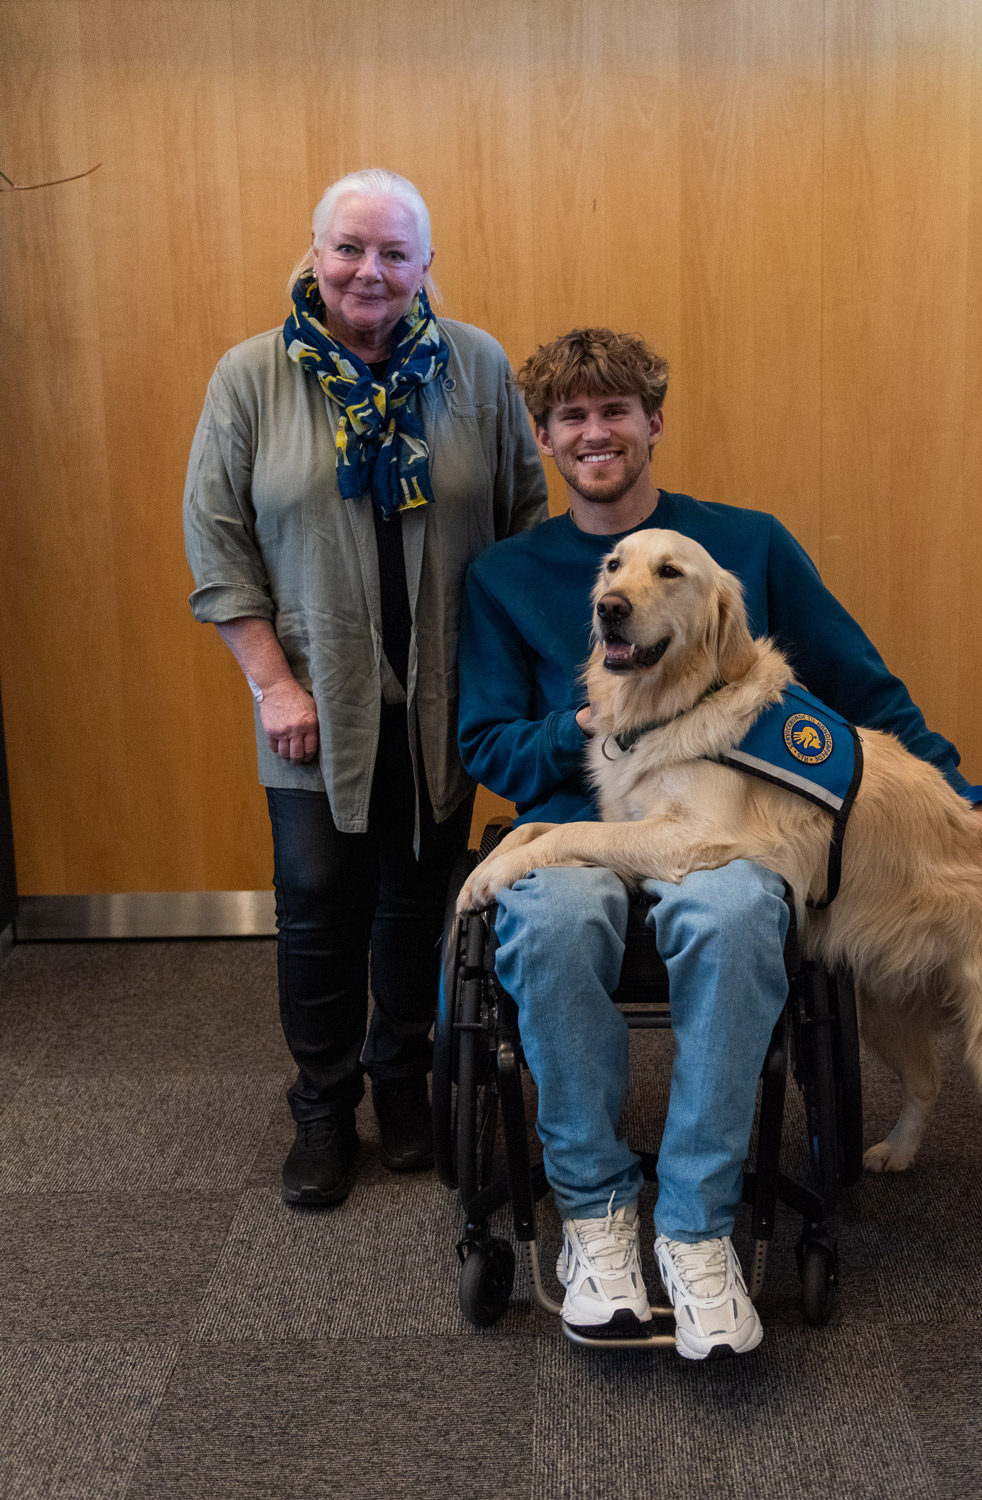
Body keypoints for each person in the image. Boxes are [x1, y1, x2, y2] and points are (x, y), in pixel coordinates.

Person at [457, 327, 982, 1359]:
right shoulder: (507, 576)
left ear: (652, 424)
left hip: (728, 837)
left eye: (615, 412)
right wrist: (589, 726)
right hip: (577, 818)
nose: (596, 433)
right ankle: (596, 1220)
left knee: (733, 913)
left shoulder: (748, 548)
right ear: (546, 438)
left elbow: (862, 690)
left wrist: (979, 809)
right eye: (572, 418)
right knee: (545, 920)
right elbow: (490, 743)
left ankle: (695, 1227)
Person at [183, 169, 547, 1207]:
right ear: (314, 253)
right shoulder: (251, 376)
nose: (370, 271)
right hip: (310, 697)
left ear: (426, 266)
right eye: (350, 248)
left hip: (448, 694)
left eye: (395, 253)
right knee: (316, 905)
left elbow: (523, 520)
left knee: (417, 896)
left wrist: (511, 679)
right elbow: (216, 541)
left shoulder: (473, 366)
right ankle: (322, 1103)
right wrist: (271, 685)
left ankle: (401, 1077)